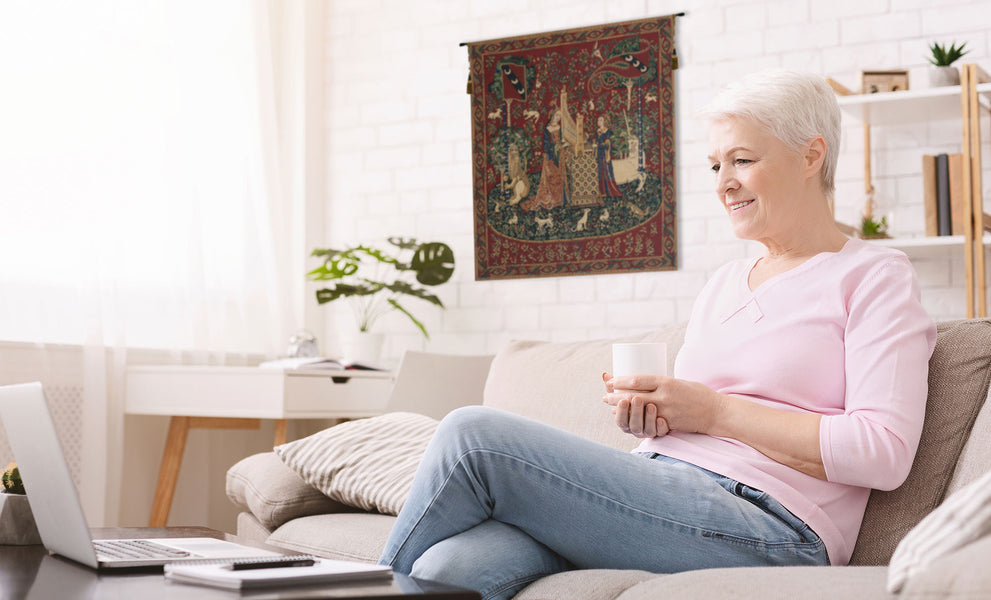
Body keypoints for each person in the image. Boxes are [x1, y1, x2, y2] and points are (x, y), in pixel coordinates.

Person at [378, 70, 937, 600]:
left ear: (811, 154)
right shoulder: (723, 284)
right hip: (661, 491)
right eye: (715, 166)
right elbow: (694, 416)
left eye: (742, 160)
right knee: (447, 570)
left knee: (472, 435)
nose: (725, 184)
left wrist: (714, 412)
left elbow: (881, 453)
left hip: (771, 526)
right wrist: (655, 412)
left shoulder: (874, 275)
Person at [523, 109, 569, 210]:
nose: (558, 118)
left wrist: (563, 143)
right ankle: (551, 199)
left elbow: (560, 139)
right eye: (557, 115)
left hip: (559, 155)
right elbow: (545, 144)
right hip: (550, 156)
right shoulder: (547, 129)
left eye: (559, 116)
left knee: (560, 176)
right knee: (551, 177)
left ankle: (561, 199)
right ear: (552, 116)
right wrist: (554, 147)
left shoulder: (559, 127)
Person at [594, 115, 623, 197]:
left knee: (607, 172)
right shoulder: (597, 131)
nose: (599, 121)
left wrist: (597, 146)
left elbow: (607, 145)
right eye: (598, 120)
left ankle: (610, 191)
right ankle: (602, 192)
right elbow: (597, 142)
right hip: (599, 155)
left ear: (605, 121)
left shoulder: (608, 132)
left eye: (601, 120)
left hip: (605, 155)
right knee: (600, 172)